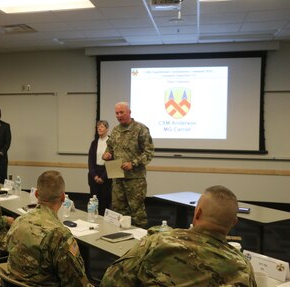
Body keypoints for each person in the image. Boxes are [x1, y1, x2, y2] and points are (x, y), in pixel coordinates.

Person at [100, 185, 257, 287]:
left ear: (198, 213)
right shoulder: (242, 267)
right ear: (234, 222)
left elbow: (111, 281)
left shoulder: (158, 242)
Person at [6, 170, 91, 287]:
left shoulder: (18, 221)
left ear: (36, 194)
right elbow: (76, 283)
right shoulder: (60, 235)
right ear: (63, 197)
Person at [102, 102, 154, 228]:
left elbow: (149, 152)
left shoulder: (140, 129)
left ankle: (140, 242)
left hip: (135, 179)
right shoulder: (115, 130)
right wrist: (107, 154)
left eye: (122, 112)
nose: (119, 115)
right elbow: (110, 148)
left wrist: (133, 163)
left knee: (137, 213)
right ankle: (121, 240)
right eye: (117, 113)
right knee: (119, 210)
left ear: (129, 112)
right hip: (117, 178)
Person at [88, 120, 112, 215]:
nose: (99, 128)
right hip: (94, 173)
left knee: (105, 200)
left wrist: (103, 177)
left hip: (106, 173)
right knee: (94, 200)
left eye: (102, 126)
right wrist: (94, 176)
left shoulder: (111, 142)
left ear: (107, 129)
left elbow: (112, 161)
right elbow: (90, 161)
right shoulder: (94, 142)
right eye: (98, 127)